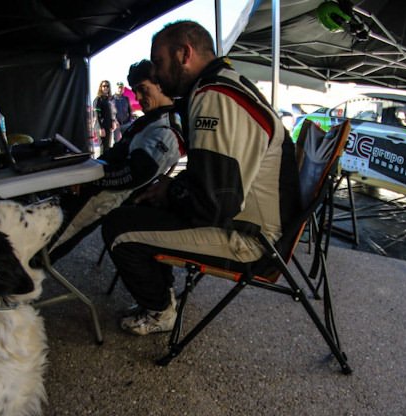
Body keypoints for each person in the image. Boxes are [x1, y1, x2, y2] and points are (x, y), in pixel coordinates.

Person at [101, 20, 300, 336]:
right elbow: (213, 187)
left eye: (159, 62)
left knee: (118, 228)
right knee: (143, 210)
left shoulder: (214, 96)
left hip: (252, 241)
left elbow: (213, 204)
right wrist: (171, 188)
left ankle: (160, 313)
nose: (155, 73)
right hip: (256, 225)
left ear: (184, 54)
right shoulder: (224, 85)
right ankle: (162, 297)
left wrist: (170, 191)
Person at [48, 60, 184, 262]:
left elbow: (135, 174)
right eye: (135, 90)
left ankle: (21, 277)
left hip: (104, 198)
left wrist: (89, 179)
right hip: (97, 185)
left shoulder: (165, 129)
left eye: (142, 89)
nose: (137, 97)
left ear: (161, 85)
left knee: (47, 244)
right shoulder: (151, 119)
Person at [93, 80, 115, 151]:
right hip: (101, 127)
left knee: (107, 148)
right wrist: (100, 128)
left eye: (107, 86)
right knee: (103, 149)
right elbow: (97, 114)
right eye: (104, 86)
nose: (106, 88)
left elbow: (109, 113)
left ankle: (106, 162)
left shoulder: (108, 100)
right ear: (101, 88)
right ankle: (100, 162)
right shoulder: (98, 99)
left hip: (108, 126)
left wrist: (111, 124)